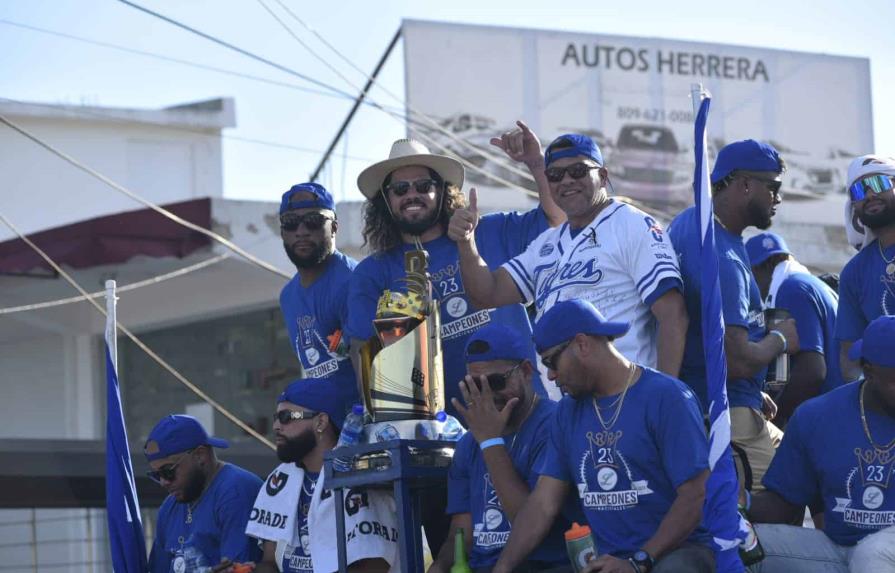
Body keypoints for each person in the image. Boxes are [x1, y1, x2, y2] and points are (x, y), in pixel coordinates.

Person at [346, 126, 564, 420]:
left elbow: (555, 219)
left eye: (424, 186)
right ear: (385, 201)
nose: (413, 195)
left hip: (524, 415)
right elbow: (365, 359)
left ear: (442, 191)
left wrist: (536, 162)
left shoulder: (486, 232)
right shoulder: (371, 273)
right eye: (400, 189)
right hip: (441, 435)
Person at [493, 300, 715, 573]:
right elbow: (542, 504)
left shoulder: (667, 397)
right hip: (607, 562)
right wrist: (501, 569)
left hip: (676, 552)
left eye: (552, 361)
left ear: (582, 344)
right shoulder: (567, 412)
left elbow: (696, 495)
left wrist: (639, 561)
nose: (550, 376)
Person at [453, 132, 688, 377]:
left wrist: (664, 390)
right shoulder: (548, 242)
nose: (566, 181)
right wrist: (466, 242)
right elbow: (488, 293)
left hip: (623, 397)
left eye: (578, 171)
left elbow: (673, 313)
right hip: (565, 405)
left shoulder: (630, 223)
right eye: (555, 175)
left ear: (603, 176)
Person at [668, 139, 800, 493]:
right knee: (782, 501)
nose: (778, 199)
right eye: (772, 188)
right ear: (743, 185)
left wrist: (753, 390)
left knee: (803, 465)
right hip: (725, 412)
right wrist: (782, 338)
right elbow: (737, 360)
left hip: (723, 400)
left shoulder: (688, 223)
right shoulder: (723, 258)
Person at [746, 316, 895, 573]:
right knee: (733, 545)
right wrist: (739, 501)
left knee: (872, 556)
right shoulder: (818, 416)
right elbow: (784, 504)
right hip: (836, 548)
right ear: (868, 371)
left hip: (882, 552)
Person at [429, 323, 574, 573]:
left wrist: (490, 442)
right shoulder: (467, 445)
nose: (485, 395)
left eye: (495, 382)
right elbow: (461, 535)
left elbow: (530, 520)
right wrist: (440, 566)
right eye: (474, 384)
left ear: (527, 371)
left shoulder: (554, 424)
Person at [246, 378, 400, 572]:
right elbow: (270, 561)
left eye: (286, 417)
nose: (276, 425)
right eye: (275, 417)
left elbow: (375, 563)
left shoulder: (360, 475)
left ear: (321, 422)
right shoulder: (280, 478)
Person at [746, 231, 842, 427]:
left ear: (762, 266)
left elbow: (812, 371)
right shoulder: (809, 283)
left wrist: (776, 419)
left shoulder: (791, 289)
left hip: (827, 417)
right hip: (840, 407)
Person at [145, 415, 262, 573]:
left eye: (167, 471)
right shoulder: (169, 506)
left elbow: (239, 568)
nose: (163, 482)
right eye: (156, 475)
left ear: (200, 455)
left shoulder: (235, 491)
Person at [278, 183, 358, 401]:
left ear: (334, 227)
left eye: (313, 221)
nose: (301, 231)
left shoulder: (355, 281)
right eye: (291, 223)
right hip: (326, 426)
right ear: (282, 232)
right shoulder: (287, 297)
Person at [836, 155, 895, 383]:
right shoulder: (854, 272)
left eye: (880, 183)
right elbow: (849, 357)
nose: (870, 195)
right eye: (859, 191)